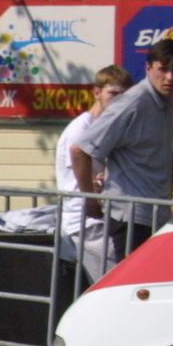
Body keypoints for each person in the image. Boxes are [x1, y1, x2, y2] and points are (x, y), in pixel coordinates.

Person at [71, 34, 173, 263]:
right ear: (148, 67)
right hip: (130, 218)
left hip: (155, 214)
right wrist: (90, 200)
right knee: (132, 293)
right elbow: (80, 150)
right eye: (162, 69)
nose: (169, 77)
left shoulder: (166, 100)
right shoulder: (132, 102)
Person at [53, 65, 131, 287]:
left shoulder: (102, 126)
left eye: (123, 95)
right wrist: (95, 194)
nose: (118, 100)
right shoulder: (81, 128)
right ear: (97, 93)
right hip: (84, 221)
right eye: (113, 94)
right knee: (111, 287)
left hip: (98, 219)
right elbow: (78, 168)